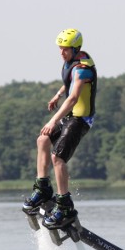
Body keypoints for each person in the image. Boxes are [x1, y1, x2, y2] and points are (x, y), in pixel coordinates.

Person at [22, 28, 97, 228]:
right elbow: (68, 84)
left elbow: (73, 98)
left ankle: (65, 205)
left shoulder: (83, 68)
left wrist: (52, 121)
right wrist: (57, 94)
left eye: (64, 49)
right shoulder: (71, 62)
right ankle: (43, 188)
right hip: (70, 116)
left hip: (80, 120)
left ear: (75, 48)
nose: (61, 52)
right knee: (42, 140)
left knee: (58, 157)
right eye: (60, 48)